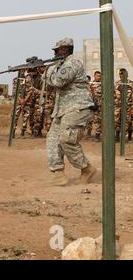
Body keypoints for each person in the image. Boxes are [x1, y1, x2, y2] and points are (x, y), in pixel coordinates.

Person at [45, 38, 97, 186]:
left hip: (77, 107)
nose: (54, 53)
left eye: (57, 50)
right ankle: (58, 174)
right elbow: (50, 85)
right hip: (62, 109)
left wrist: (48, 69)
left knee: (66, 139)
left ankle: (86, 168)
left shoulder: (72, 63)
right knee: (53, 140)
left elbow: (57, 81)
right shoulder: (60, 65)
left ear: (66, 50)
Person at [114, 68, 133, 141]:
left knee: (127, 121)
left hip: (128, 106)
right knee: (116, 120)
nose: (121, 76)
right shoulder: (116, 83)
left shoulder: (131, 83)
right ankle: (117, 135)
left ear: (127, 74)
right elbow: (113, 94)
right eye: (120, 74)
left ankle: (126, 136)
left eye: (123, 74)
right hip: (118, 106)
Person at [89, 71, 102, 142]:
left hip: (102, 105)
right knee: (96, 120)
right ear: (94, 76)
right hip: (94, 106)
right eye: (97, 76)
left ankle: (100, 134)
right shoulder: (91, 84)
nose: (98, 77)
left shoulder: (102, 84)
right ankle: (97, 135)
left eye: (99, 76)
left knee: (101, 120)